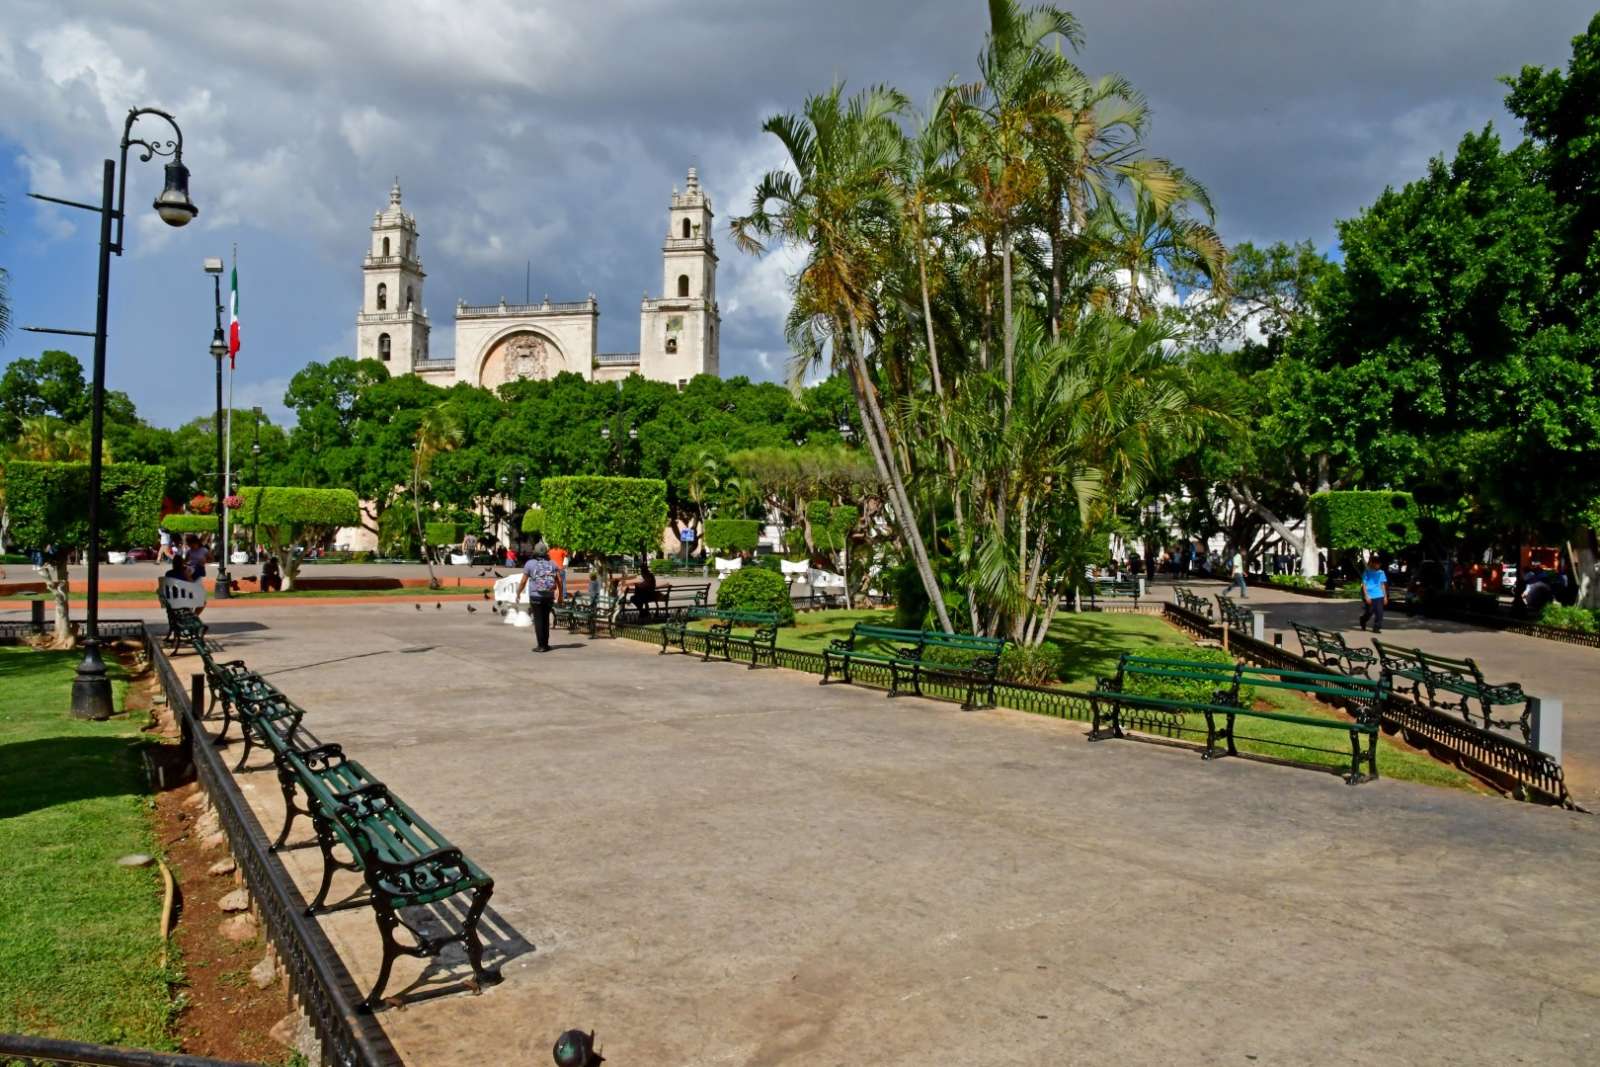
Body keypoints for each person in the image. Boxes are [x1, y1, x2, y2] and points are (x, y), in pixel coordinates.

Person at [516, 541, 564, 653]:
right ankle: (546, 644)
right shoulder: (552, 563)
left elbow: (523, 581)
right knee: (546, 620)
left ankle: (541, 645)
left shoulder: (530, 563)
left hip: (535, 596)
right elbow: (560, 581)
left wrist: (518, 592)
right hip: (549, 596)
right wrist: (560, 595)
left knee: (538, 620)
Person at [1358, 554, 1388, 632]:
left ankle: (1376, 628)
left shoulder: (1381, 572)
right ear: (1373, 563)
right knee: (1369, 612)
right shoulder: (1367, 572)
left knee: (1379, 612)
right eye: (1377, 563)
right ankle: (1363, 620)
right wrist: (1366, 596)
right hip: (1369, 594)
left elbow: (1382, 585)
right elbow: (1364, 585)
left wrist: (1385, 597)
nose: (1378, 565)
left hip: (1379, 594)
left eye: (1379, 564)